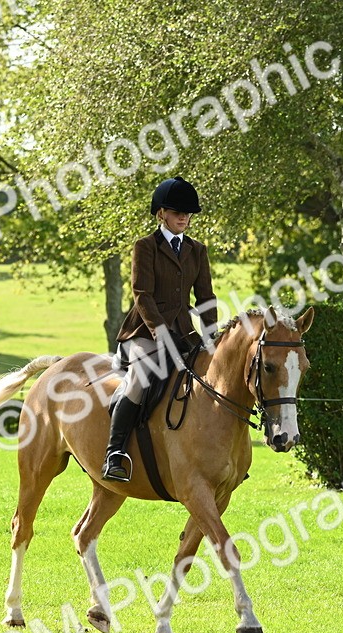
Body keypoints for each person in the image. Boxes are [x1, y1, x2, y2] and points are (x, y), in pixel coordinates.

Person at [102, 176, 218, 482]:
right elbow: (143, 295)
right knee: (141, 377)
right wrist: (161, 333)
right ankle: (115, 453)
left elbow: (206, 297)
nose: (184, 217)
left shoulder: (197, 250)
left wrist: (211, 336)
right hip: (145, 332)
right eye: (177, 212)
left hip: (185, 334)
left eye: (188, 213)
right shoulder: (146, 247)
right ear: (161, 214)